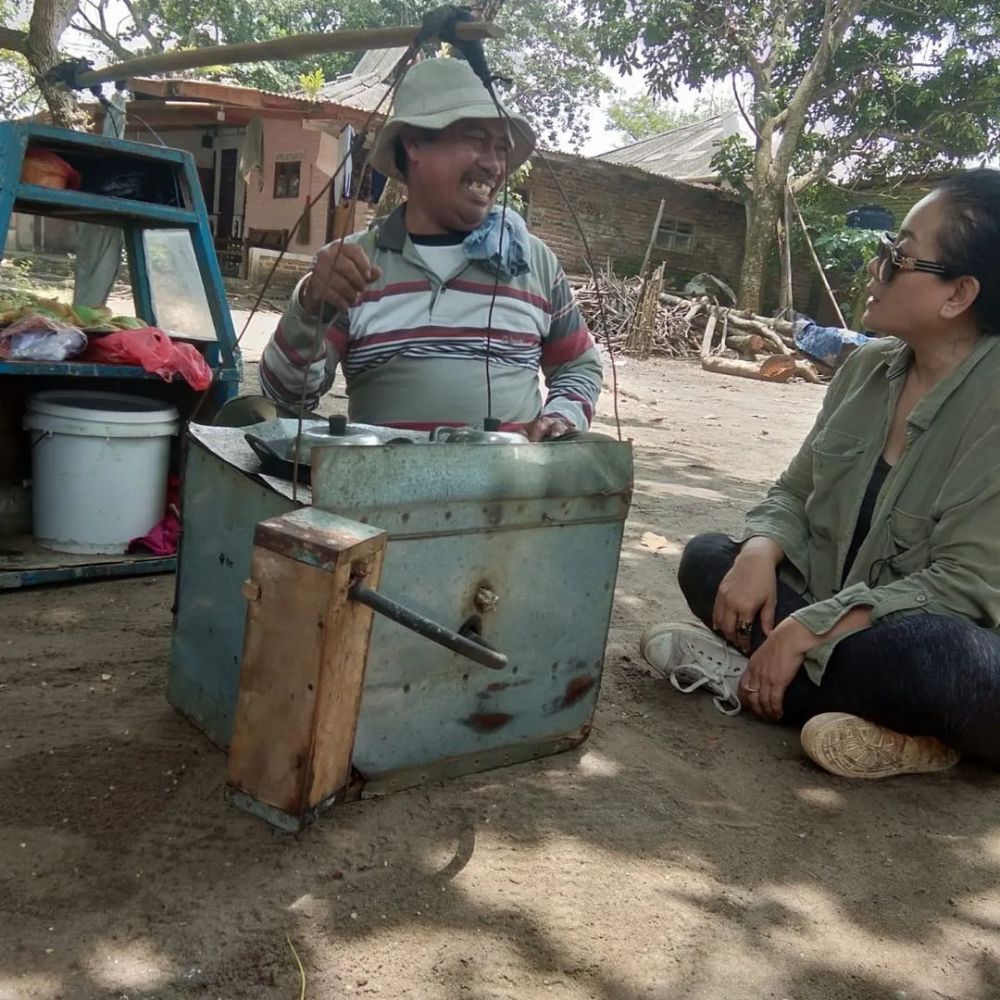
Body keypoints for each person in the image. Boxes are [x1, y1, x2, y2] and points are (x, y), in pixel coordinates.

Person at [642, 168, 1000, 779]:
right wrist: (759, 550)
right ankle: (887, 730)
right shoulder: (866, 368)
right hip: (848, 629)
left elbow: (967, 585)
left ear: (957, 295)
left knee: (941, 660)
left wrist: (809, 627)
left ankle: (758, 676)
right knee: (709, 559)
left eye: (898, 256)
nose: (874, 267)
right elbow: (793, 492)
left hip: (945, 641)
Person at [259, 57, 602, 440]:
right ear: (415, 142)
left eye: (501, 148)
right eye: (475, 140)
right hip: (386, 494)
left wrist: (562, 416)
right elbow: (285, 394)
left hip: (510, 496)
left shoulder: (532, 262)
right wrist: (309, 308)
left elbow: (578, 363)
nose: (493, 164)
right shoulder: (353, 264)